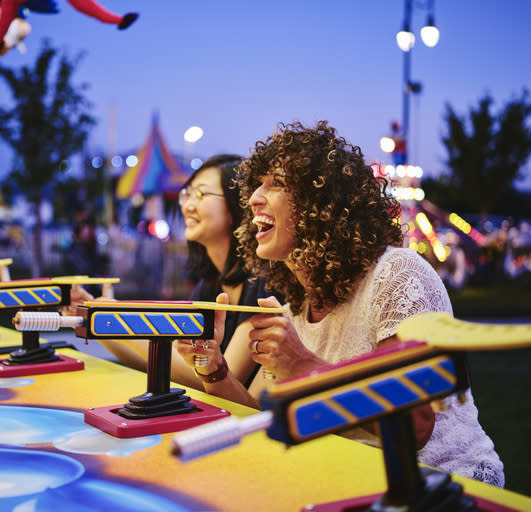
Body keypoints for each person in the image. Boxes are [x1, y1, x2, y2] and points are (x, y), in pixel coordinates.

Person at [179, 120, 504, 487]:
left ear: (322, 203)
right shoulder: (296, 309)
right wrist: (213, 368)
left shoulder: (396, 274)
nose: (254, 197)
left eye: (277, 184)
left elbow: (413, 426)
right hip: (349, 483)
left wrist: (300, 364)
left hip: (438, 488)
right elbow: (259, 416)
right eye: (257, 184)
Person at [68, 154, 280, 395]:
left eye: (200, 194)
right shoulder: (210, 286)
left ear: (237, 204)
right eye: (186, 194)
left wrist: (114, 317)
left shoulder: (263, 284)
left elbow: (204, 376)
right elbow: (161, 368)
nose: (187, 205)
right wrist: (93, 319)